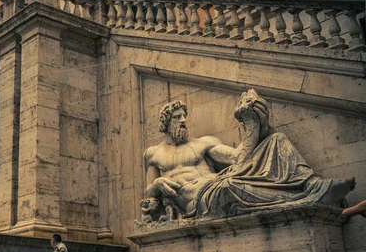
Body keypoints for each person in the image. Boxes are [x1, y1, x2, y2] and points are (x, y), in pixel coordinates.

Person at [143, 90, 355, 220]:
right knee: (229, 186)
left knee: (276, 139)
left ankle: (313, 187)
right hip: (197, 200)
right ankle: (308, 198)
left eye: (183, 117)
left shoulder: (203, 144)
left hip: (217, 184)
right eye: (177, 117)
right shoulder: (154, 154)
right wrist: (158, 183)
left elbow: (237, 157)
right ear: (165, 123)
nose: (182, 121)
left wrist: (254, 123)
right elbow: (148, 192)